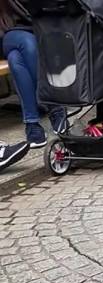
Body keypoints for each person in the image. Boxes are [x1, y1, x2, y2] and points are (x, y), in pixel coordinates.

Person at [0, 0, 66, 171]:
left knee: (16, 59)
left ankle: (32, 124)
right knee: (28, 44)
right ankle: (54, 106)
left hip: (38, 27)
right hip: (7, 32)